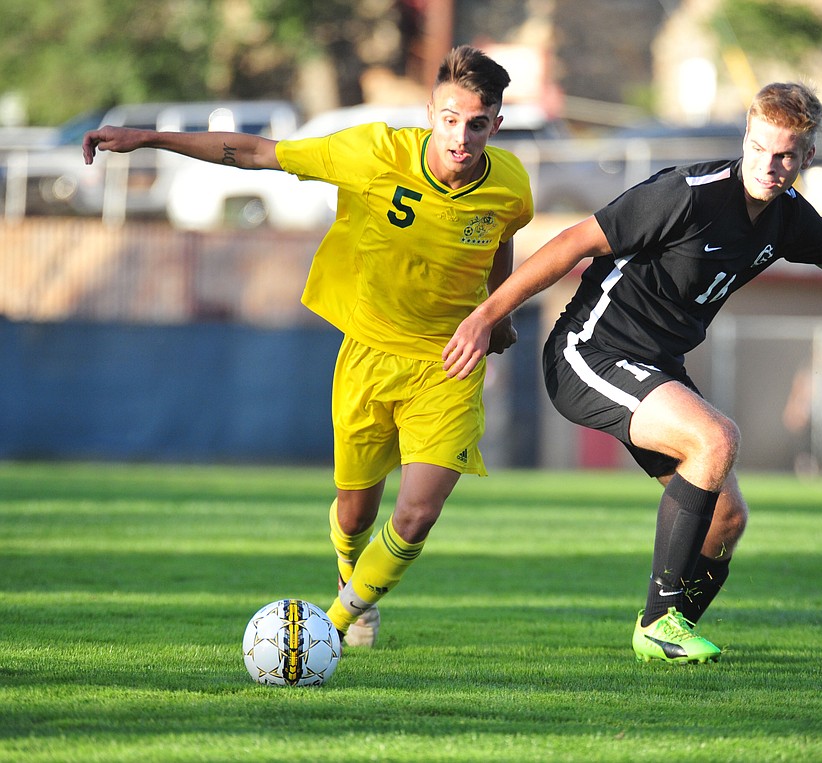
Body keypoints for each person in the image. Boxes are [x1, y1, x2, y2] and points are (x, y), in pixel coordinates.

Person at [443, 82, 822, 665]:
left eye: (785, 157)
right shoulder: (687, 194)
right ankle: (658, 621)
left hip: (656, 366)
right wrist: (487, 315)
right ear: (745, 139)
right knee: (716, 437)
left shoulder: (789, 218)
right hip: (589, 351)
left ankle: (669, 636)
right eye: (759, 149)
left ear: (807, 158)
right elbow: (571, 242)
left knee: (726, 518)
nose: (769, 167)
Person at [83, 45, 535, 647]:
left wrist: (495, 312)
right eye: (449, 118)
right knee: (354, 514)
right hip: (369, 354)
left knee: (418, 513)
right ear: (430, 111)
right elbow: (256, 153)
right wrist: (145, 137)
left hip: (448, 364)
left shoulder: (510, 183)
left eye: (477, 123)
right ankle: (352, 575)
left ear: (495, 125)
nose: (461, 136)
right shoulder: (373, 151)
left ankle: (332, 623)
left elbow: (499, 236)